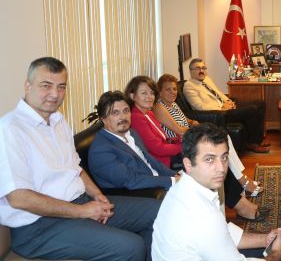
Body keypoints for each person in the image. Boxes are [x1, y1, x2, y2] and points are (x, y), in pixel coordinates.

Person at [0, 57, 161, 260]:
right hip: (39, 227)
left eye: (61, 87)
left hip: (79, 202)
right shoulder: (9, 130)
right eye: (46, 85)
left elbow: (76, 168)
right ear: (27, 85)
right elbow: (19, 198)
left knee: (159, 211)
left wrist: (98, 196)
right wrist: (82, 211)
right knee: (132, 246)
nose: (55, 94)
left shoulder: (58, 121)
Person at [89, 90, 267, 221]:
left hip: (160, 178)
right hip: (145, 193)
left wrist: (173, 175)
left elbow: (151, 162)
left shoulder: (131, 133)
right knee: (208, 172)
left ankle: (224, 219)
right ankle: (226, 219)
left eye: (125, 111)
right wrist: (172, 180)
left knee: (214, 168)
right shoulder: (102, 149)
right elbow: (131, 181)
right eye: (115, 113)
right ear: (103, 118)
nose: (123, 116)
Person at [152, 123, 281, 261]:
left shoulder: (182, 188)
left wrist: (265, 239)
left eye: (224, 157)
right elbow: (212, 227)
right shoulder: (203, 216)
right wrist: (277, 252)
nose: (221, 168)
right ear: (188, 164)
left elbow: (222, 233)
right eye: (209, 159)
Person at [154, 73, 263, 196]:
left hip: (188, 138)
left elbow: (186, 120)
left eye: (174, 89)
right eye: (168, 89)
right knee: (222, 140)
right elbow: (180, 131)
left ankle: (242, 179)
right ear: (160, 92)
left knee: (224, 138)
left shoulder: (173, 104)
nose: (172, 92)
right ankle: (243, 180)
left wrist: (192, 122)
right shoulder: (159, 108)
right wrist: (194, 128)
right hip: (183, 145)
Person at [183, 58, 269, 153]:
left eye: (203, 68)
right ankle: (252, 144)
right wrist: (221, 108)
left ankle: (258, 140)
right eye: (198, 68)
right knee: (252, 109)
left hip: (225, 107)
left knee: (260, 103)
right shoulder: (189, 86)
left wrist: (228, 101)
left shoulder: (206, 79)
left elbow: (218, 92)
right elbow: (200, 107)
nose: (201, 71)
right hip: (219, 114)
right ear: (191, 71)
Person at [126, 75, 182, 168]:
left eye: (152, 93)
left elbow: (164, 139)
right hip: (159, 164)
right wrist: (183, 147)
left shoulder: (149, 113)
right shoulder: (136, 117)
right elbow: (158, 149)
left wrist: (181, 140)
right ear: (132, 96)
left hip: (167, 156)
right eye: (144, 93)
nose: (150, 97)